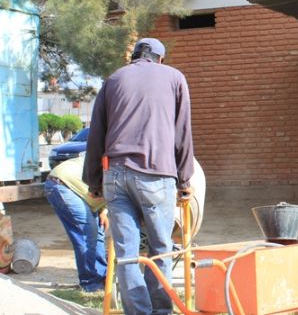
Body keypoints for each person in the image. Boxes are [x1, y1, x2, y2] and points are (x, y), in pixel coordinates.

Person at [83, 37, 194, 315]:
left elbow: (96, 134)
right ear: (160, 58)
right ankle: (161, 311)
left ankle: (139, 312)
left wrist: (94, 182)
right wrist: (184, 179)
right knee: (160, 249)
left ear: (133, 57)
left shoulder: (113, 80)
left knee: (127, 254)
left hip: (116, 176)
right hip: (156, 174)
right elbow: (182, 132)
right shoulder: (175, 78)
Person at [44, 157, 108, 292]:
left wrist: (103, 210)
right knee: (87, 235)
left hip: (81, 189)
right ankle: (91, 284)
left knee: (98, 233)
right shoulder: (121, 165)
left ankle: (102, 278)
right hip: (64, 184)